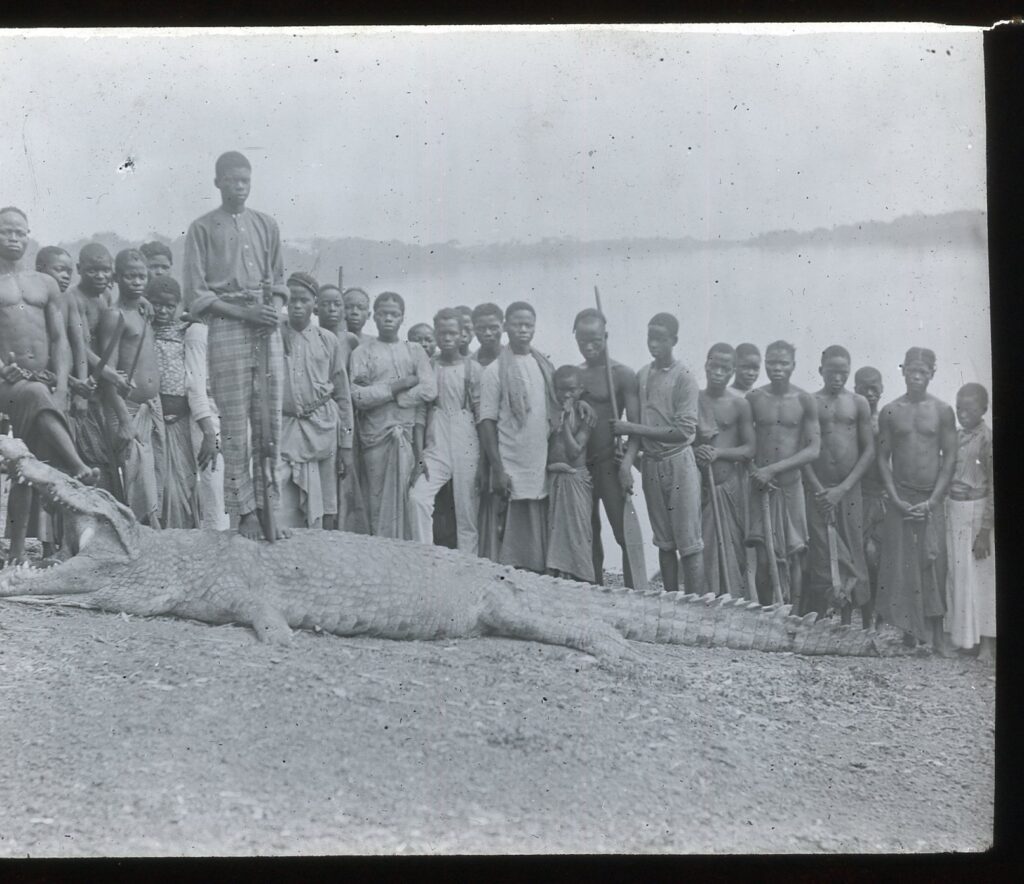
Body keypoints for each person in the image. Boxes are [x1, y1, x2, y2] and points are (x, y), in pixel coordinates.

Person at [182, 150, 288, 540]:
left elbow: (278, 282)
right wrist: (245, 314)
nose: (239, 187)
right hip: (227, 324)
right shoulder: (201, 228)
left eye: (245, 180)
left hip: (265, 327)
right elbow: (197, 295)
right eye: (231, 180)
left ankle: (270, 509)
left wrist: (272, 311)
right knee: (236, 423)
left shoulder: (267, 225)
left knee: (270, 418)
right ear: (218, 182)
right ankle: (244, 511)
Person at [0, 207, 99, 564]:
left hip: (41, 387)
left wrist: (60, 388)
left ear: (29, 236)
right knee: (35, 395)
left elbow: (60, 342)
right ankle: (76, 465)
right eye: (6, 231)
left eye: (20, 232)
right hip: (4, 385)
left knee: (30, 460)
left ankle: (14, 555)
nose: (14, 238)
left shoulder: (43, 284)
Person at [614, 313, 704, 595]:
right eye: (650, 337)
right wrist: (627, 465)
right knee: (664, 542)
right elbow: (637, 434)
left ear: (673, 341)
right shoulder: (642, 376)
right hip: (651, 465)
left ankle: (696, 606)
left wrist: (630, 426)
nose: (654, 344)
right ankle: (670, 602)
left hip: (679, 462)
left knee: (689, 543)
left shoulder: (685, 378)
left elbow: (682, 431)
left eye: (661, 339)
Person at [876, 347, 957, 651]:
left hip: (930, 499)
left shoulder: (942, 411)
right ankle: (905, 634)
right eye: (912, 370)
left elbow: (949, 458)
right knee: (899, 565)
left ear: (932, 373)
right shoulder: (891, 411)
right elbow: (883, 458)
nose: (917, 376)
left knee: (932, 563)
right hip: (900, 497)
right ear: (903, 370)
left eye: (923, 371)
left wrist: (933, 501)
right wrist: (895, 498)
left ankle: (933, 637)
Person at [479, 301, 559, 573]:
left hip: (540, 458)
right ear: (506, 327)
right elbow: (487, 422)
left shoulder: (545, 365)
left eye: (528, 325)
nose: (523, 330)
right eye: (517, 324)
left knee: (539, 521)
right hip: (511, 459)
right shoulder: (494, 371)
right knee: (511, 535)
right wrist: (498, 468)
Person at [349, 291, 436, 539]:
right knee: (377, 500)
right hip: (375, 436)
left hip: (407, 436)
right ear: (373, 317)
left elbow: (429, 388)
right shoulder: (362, 353)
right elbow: (359, 396)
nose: (388, 318)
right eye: (383, 314)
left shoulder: (415, 350)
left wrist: (399, 399)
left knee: (407, 499)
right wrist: (397, 386)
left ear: (402, 318)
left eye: (394, 314)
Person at [745, 341, 821, 608]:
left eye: (783, 363)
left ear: (793, 366)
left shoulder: (803, 400)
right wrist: (754, 470)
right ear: (765, 363)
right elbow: (747, 443)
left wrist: (773, 470)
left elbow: (813, 449)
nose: (777, 368)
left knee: (796, 554)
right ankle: (768, 616)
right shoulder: (754, 398)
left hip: (790, 486)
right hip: (761, 489)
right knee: (764, 557)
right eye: (772, 362)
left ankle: (794, 617)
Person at [802, 345, 875, 623]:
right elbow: (804, 448)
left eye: (843, 372)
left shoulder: (858, 403)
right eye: (832, 371)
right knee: (822, 551)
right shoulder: (810, 401)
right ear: (821, 370)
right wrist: (819, 490)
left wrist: (843, 488)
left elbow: (868, 451)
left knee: (853, 550)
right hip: (818, 490)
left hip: (849, 488)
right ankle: (824, 618)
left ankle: (855, 621)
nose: (837, 377)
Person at [276, 272, 354, 530]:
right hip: (285, 427)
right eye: (292, 300)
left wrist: (346, 445)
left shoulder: (327, 340)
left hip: (322, 428)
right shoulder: (274, 336)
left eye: (304, 300)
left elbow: (342, 394)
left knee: (326, 501)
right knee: (281, 498)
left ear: (315, 304)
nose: (297, 306)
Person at [573, 307, 640, 587]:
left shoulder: (622, 374)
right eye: (582, 339)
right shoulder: (574, 376)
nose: (589, 346)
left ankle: (636, 597)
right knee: (588, 533)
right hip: (581, 466)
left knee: (624, 533)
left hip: (610, 463)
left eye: (596, 340)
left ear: (606, 336)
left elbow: (635, 428)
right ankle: (594, 592)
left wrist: (626, 464)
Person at [97, 249, 165, 527]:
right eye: (130, 276)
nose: (137, 282)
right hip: (128, 409)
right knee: (138, 483)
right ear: (117, 278)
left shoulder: (143, 311)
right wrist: (124, 420)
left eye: (142, 276)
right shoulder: (115, 316)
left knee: (155, 480)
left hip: (151, 406)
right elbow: (107, 373)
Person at [148, 275, 221, 528]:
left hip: (181, 420)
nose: (163, 310)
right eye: (157, 304)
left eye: (170, 306)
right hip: (153, 418)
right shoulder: (144, 330)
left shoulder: (186, 330)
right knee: (160, 483)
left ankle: (183, 537)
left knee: (184, 484)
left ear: (179, 305)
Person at [409, 308, 483, 553]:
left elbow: (482, 416)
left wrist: (483, 459)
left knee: (467, 510)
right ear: (436, 335)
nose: (448, 338)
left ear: (463, 334)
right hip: (436, 438)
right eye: (442, 333)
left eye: (453, 332)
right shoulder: (428, 366)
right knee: (418, 497)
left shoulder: (473, 369)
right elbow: (420, 413)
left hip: (466, 438)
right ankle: (425, 556)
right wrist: (419, 455)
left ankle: (469, 566)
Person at [694, 343, 755, 597]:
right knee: (704, 548)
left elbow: (749, 448)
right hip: (702, 487)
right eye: (714, 366)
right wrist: (697, 451)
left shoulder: (739, 404)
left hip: (731, 488)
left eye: (725, 368)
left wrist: (719, 453)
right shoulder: (694, 399)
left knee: (735, 549)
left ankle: (736, 601)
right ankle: (707, 603)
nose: (718, 372)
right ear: (706, 364)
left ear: (732, 372)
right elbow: (686, 439)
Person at [944, 383, 994, 661]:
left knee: (982, 579)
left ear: (983, 410)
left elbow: (994, 487)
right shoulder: (956, 437)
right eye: (959, 408)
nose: (963, 413)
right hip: (955, 509)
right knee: (958, 576)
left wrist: (985, 530)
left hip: (977, 512)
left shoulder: (987, 439)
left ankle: (987, 643)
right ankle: (964, 640)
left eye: (969, 409)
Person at [545, 365, 595, 583]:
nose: (566, 394)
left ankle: (583, 582)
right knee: (556, 537)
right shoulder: (549, 412)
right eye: (561, 389)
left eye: (571, 390)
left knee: (578, 537)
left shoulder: (586, 415)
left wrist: (565, 422)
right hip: (555, 479)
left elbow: (575, 451)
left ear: (580, 389)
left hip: (576, 479)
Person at [471, 302, 506, 558]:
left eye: (493, 327)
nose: (488, 333)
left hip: (508, 442)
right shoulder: (470, 364)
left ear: (503, 326)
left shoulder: (513, 359)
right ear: (473, 329)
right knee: (482, 503)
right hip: (475, 442)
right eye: (482, 328)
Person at [853, 366, 886, 626]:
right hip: (859, 495)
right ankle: (865, 620)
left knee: (882, 558)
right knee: (864, 556)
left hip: (884, 496)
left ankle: (880, 619)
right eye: (865, 387)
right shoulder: (852, 421)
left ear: (882, 388)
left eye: (875, 386)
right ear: (856, 390)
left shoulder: (887, 420)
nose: (871, 392)